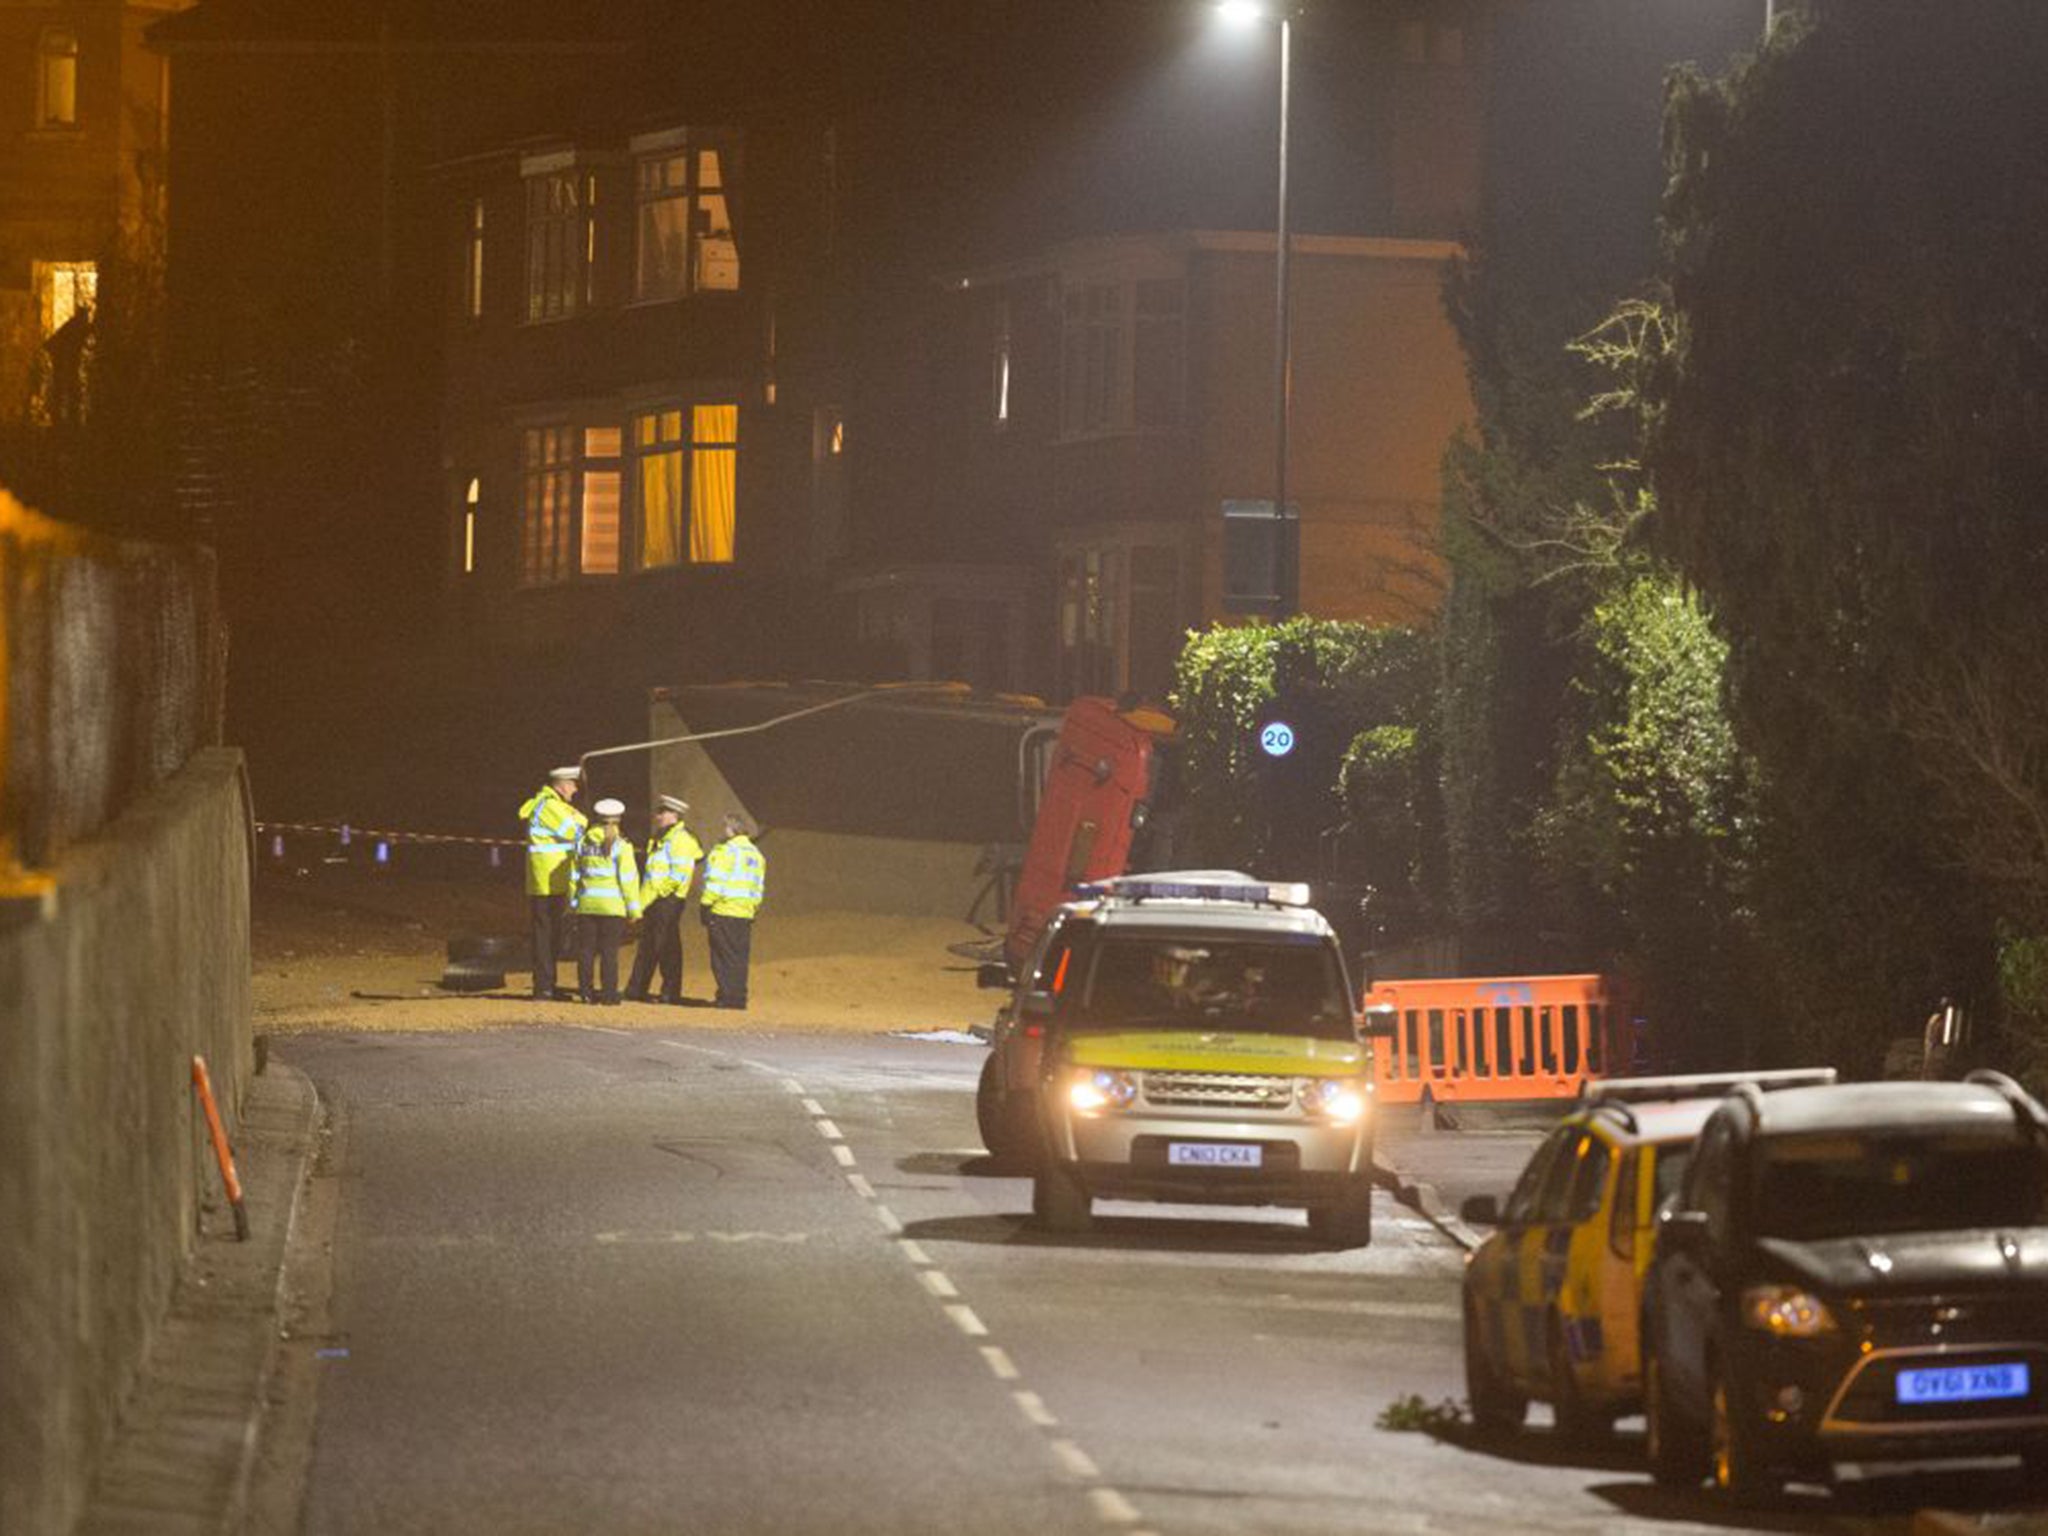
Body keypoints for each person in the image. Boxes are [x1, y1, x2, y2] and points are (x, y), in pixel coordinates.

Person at [518, 765, 587, 1001]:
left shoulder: (554, 805)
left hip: (552, 880)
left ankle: (548, 985)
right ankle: (544, 988)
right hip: (546, 881)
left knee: (552, 936)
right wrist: (579, 817)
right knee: (545, 937)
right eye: (573, 784)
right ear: (561, 784)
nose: (576, 789)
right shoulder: (550, 806)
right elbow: (576, 831)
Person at [625, 794, 701, 1004]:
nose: (657, 816)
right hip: (655, 900)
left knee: (666, 947)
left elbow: (679, 875)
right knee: (649, 945)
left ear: (674, 815)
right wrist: (642, 903)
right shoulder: (660, 838)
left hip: (668, 900)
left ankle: (668, 992)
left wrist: (661, 894)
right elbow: (651, 876)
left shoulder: (682, 839)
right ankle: (637, 989)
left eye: (662, 812)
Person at [570, 798, 642, 1005]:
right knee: (609, 953)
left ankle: (585, 992)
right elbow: (628, 880)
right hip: (612, 907)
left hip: (586, 904)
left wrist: (574, 903)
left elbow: (574, 875)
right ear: (618, 820)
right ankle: (609, 995)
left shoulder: (583, 843)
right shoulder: (621, 846)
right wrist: (634, 910)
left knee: (586, 951)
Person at [700, 812, 766, 1010]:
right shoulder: (756, 854)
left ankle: (726, 997)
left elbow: (715, 882)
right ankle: (738, 997)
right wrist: (753, 908)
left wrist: (705, 904)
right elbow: (758, 887)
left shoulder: (726, 852)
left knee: (721, 957)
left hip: (723, 910)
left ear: (731, 829)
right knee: (739, 958)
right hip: (744, 913)